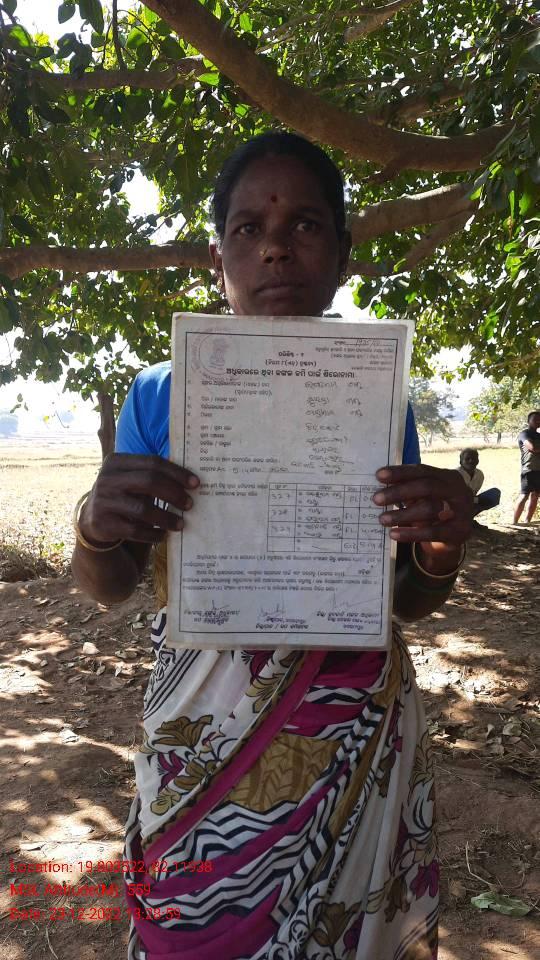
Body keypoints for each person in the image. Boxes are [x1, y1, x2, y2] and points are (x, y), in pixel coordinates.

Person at [71, 132, 473, 960]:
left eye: (306, 225)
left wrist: (438, 550)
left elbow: (400, 598)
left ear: (343, 255)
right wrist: (93, 526)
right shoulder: (159, 394)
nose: (277, 247)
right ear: (217, 258)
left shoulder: (377, 393)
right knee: (192, 922)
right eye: (248, 228)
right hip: (204, 732)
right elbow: (110, 584)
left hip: (353, 733)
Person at [457, 448, 501, 520]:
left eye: (474, 458)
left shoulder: (479, 474)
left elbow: (473, 493)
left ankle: (468, 519)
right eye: (467, 459)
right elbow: (456, 497)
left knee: (494, 494)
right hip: (454, 503)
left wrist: (476, 500)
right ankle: (460, 520)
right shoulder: (456, 474)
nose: (471, 461)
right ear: (461, 461)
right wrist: (477, 500)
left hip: (470, 500)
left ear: (478, 461)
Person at [513, 411, 540, 524]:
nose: (538, 421)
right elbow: (532, 448)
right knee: (524, 495)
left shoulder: (539, 435)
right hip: (528, 469)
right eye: (535, 419)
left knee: (535, 496)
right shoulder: (524, 434)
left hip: (539, 470)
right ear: (528, 421)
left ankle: (527, 521)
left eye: (539, 419)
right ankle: (514, 523)